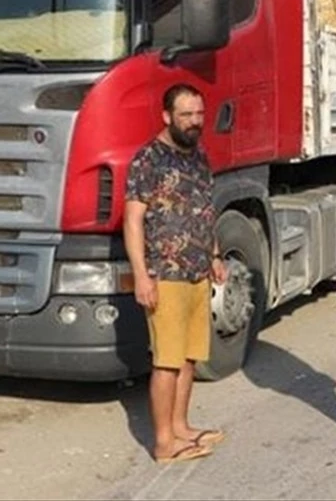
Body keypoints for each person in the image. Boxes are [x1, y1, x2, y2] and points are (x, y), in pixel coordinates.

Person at [124, 83, 229, 464]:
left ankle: (182, 426)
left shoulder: (198, 155)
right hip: (164, 273)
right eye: (186, 115)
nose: (194, 122)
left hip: (197, 272)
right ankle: (165, 443)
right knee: (166, 361)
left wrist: (214, 255)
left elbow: (203, 210)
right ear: (167, 116)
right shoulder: (147, 160)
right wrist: (141, 276)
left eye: (199, 114)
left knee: (188, 358)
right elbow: (133, 221)